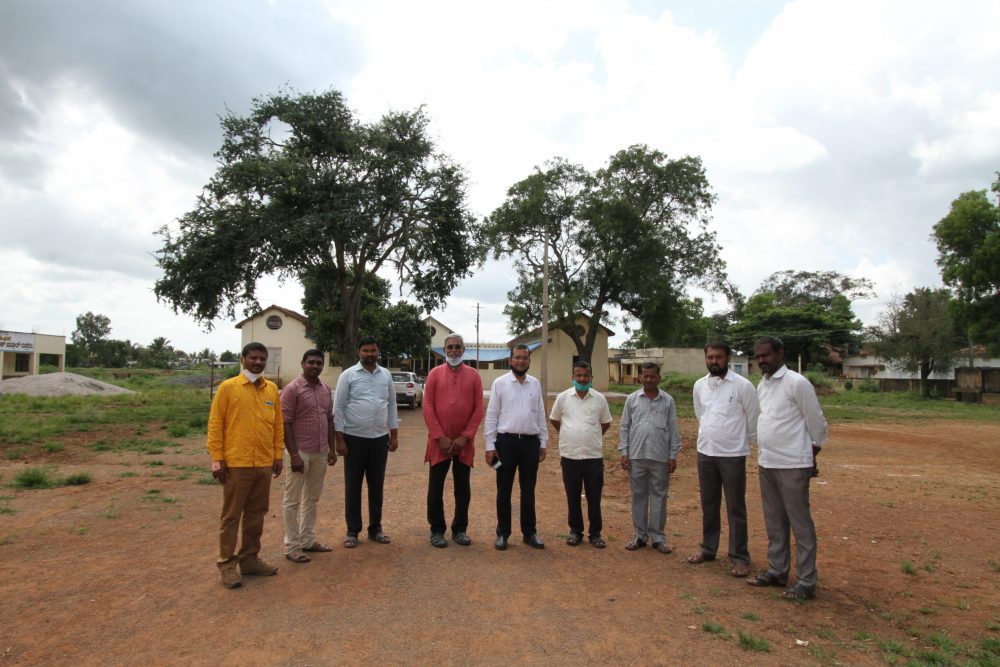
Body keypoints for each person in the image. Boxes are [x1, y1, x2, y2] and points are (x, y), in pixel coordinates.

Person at [747, 336, 828, 601]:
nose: (761, 360)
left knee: (800, 523)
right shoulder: (763, 385)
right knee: (775, 521)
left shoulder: (797, 383)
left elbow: (816, 423)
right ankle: (777, 570)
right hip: (768, 462)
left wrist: (810, 453)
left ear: (781, 353)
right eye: (758, 356)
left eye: (766, 355)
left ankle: (806, 581)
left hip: (793, 464)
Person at [206, 341, 284, 588]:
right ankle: (227, 565)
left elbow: (278, 425)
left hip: (262, 463)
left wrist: (277, 455)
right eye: (254, 358)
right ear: (243, 360)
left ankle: (250, 559)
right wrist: (217, 458)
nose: (258, 362)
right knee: (231, 516)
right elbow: (215, 425)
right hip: (236, 463)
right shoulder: (228, 388)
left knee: (256, 515)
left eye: (262, 359)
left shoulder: (271, 390)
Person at [686, 342, 760, 577]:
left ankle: (739, 557)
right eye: (710, 357)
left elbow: (753, 418)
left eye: (718, 357)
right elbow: (701, 413)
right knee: (709, 504)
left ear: (728, 358)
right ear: (705, 359)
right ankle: (708, 548)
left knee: (735, 506)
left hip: (733, 454)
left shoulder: (743, 386)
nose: (714, 361)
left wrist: (742, 442)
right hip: (706, 452)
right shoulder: (700, 385)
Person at [333, 336, 399, 548]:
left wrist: (394, 434)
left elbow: (391, 405)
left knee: (376, 486)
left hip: (379, 439)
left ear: (378, 351)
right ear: (359, 352)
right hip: (354, 439)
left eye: (373, 350)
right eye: (366, 351)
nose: (370, 354)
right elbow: (339, 409)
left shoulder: (386, 375)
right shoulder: (348, 375)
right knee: (353, 486)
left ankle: (375, 528)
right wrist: (340, 440)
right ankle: (353, 530)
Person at [484, 343, 548, 550]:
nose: (521, 361)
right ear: (510, 360)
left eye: (525, 358)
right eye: (517, 357)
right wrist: (489, 445)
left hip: (530, 443)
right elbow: (492, 415)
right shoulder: (500, 383)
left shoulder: (535, 384)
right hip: (506, 443)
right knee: (504, 490)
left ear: (529, 361)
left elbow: (540, 414)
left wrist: (543, 442)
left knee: (528, 490)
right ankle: (503, 533)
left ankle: (529, 533)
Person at [422, 334, 484, 548]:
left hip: (463, 444)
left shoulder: (474, 376)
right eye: (450, 347)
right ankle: (437, 530)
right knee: (435, 488)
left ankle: (460, 529)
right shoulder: (434, 374)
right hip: (439, 443)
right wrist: (439, 437)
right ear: (444, 350)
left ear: (463, 349)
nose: (454, 350)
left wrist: (465, 437)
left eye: (458, 347)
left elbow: (478, 409)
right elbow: (428, 407)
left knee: (462, 488)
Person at [281, 349, 337, 564]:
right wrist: (294, 454)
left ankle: (308, 540)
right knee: (291, 501)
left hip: (321, 451)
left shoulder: (325, 389)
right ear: (302, 363)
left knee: (312, 498)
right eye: (311, 362)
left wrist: (331, 449)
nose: (315, 366)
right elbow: (285, 422)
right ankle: (292, 546)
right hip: (300, 452)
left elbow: (330, 420)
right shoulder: (292, 389)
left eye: (318, 363)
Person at [549, 360, 613, 548]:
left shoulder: (600, 399)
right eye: (579, 375)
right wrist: (570, 434)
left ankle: (595, 534)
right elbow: (554, 419)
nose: (582, 379)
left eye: (586, 376)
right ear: (573, 377)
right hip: (570, 456)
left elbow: (606, 423)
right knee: (573, 496)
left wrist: (590, 436)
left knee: (594, 497)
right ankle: (575, 531)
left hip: (593, 456)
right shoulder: (563, 398)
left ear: (591, 377)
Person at [618, 362, 680, 554]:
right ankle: (640, 536)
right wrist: (624, 452)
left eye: (652, 376)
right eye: (645, 376)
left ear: (658, 378)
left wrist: (673, 455)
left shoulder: (668, 401)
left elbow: (673, 429)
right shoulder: (632, 399)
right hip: (636, 456)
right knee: (638, 496)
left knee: (659, 497)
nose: (649, 379)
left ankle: (658, 538)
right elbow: (624, 426)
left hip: (660, 457)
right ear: (640, 377)